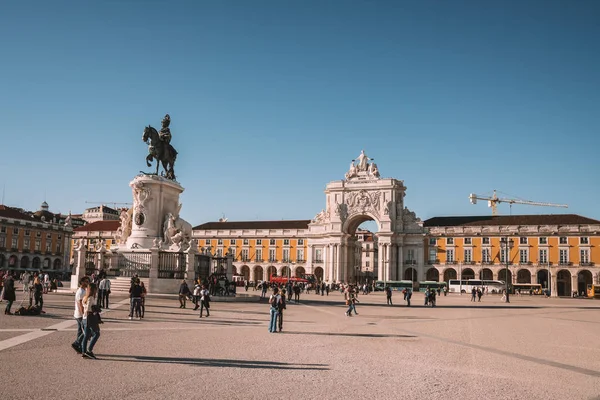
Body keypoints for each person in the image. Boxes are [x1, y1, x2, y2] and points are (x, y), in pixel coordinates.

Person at [81, 283, 101, 359]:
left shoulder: (85, 297)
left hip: (85, 318)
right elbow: (89, 309)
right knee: (97, 333)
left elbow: (85, 308)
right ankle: (89, 350)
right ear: (93, 290)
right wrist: (96, 309)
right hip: (90, 318)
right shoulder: (91, 298)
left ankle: (83, 352)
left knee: (86, 336)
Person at [72, 277, 89, 354]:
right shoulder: (80, 292)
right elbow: (80, 304)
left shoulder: (82, 291)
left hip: (78, 314)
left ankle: (78, 346)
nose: (87, 283)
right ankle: (77, 343)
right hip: (80, 314)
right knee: (86, 331)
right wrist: (83, 314)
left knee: (80, 330)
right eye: (86, 281)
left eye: (88, 281)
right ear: (81, 282)